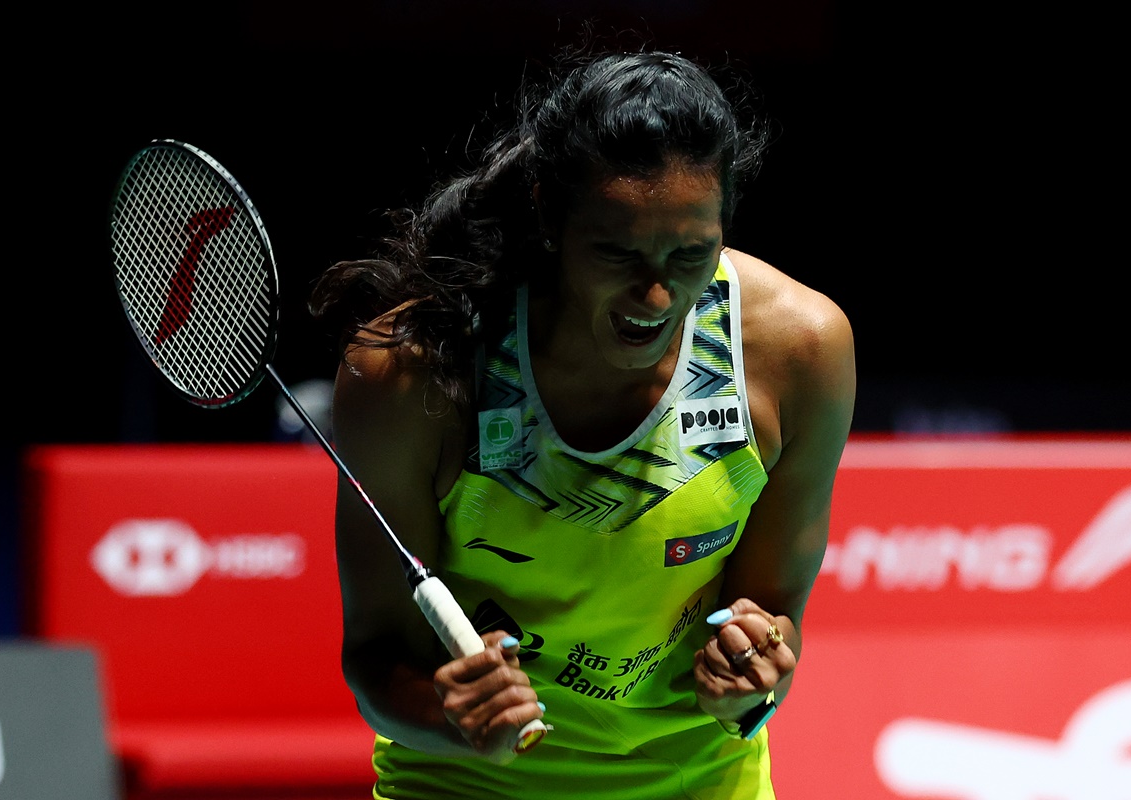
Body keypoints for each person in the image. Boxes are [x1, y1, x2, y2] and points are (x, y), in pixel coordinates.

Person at [308, 43, 855, 800]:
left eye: (690, 255)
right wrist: (453, 712)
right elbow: (374, 659)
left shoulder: (799, 353)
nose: (657, 299)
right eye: (617, 252)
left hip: (697, 785)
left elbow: (772, 621)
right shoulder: (415, 374)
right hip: (466, 786)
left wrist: (752, 676)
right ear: (548, 215)